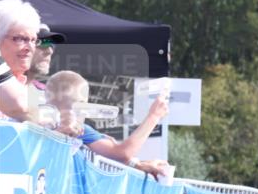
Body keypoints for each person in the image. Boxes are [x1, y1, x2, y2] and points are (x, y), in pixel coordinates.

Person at [44, 70, 172, 178]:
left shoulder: (82, 130)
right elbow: (122, 153)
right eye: (83, 103)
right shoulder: (35, 123)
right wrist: (154, 116)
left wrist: (138, 165)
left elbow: (120, 154)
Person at [0, 0, 41, 121]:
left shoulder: (31, 89)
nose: (30, 47)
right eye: (20, 39)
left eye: (33, 40)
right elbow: (20, 107)